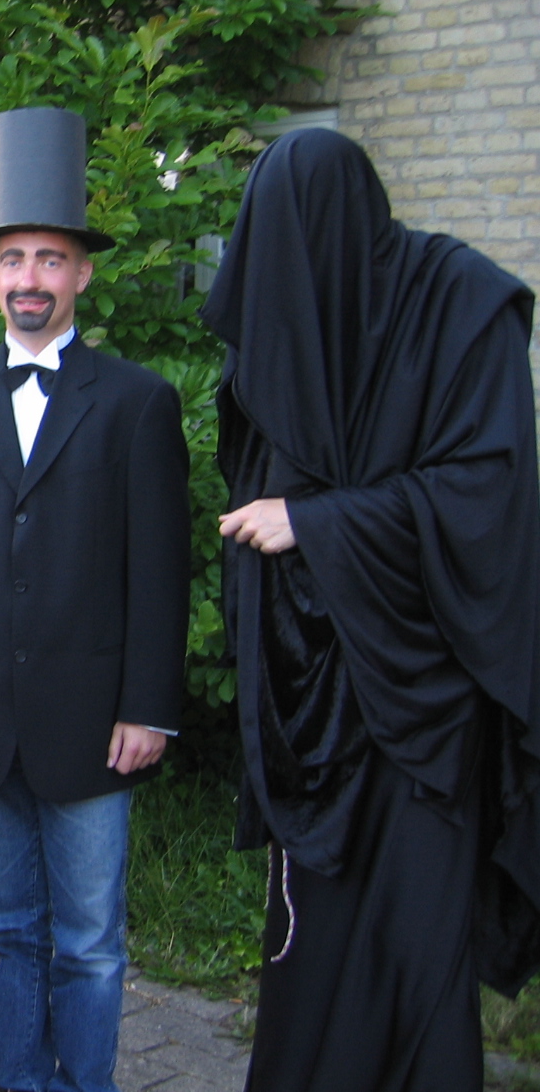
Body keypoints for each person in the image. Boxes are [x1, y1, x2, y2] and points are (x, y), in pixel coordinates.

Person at [204, 128, 540, 1092]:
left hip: (429, 705)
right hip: (316, 706)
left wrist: (315, 522)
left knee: (414, 942)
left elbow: (485, 496)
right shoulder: (298, 317)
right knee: (312, 951)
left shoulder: (459, 306)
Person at [0, 107, 191, 1092]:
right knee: (4, 927)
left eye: (51, 260)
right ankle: (15, 1079)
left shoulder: (138, 402)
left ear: (82, 275)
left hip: (94, 717)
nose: (30, 277)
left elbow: (160, 570)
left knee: (91, 938)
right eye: (14, 258)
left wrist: (149, 706)